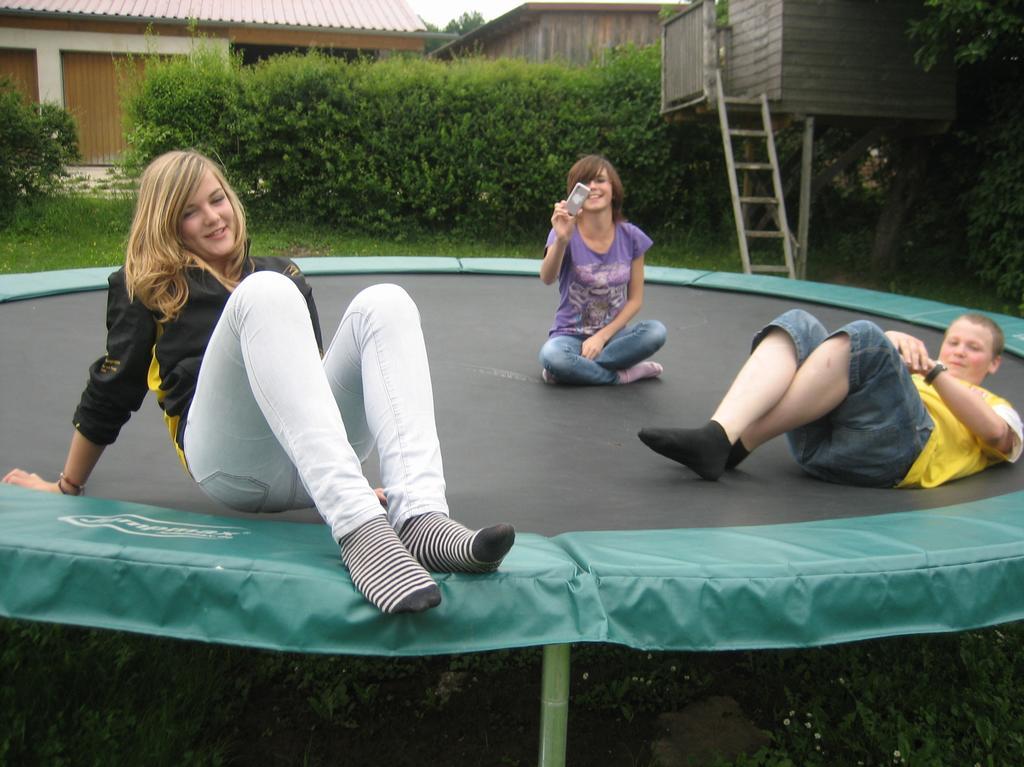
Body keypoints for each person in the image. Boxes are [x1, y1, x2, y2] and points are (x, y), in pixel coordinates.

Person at [2, 149, 514, 615]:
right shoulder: (149, 286)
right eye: (189, 211)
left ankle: (420, 518)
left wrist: (345, 478)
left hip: (310, 469)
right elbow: (113, 390)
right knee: (262, 293)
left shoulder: (285, 273)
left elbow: (304, 383)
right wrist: (66, 486)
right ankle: (360, 532)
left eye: (216, 199)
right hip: (232, 464)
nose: (213, 217)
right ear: (167, 224)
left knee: (386, 302)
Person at [638, 308, 1021, 488]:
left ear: (993, 363)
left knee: (867, 337)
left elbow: (995, 436)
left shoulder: (994, 402)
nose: (958, 351)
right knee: (798, 323)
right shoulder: (912, 376)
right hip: (822, 445)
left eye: (973, 348)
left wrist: (934, 372)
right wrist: (894, 344)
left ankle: (736, 443)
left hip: (901, 456)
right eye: (953, 342)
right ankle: (722, 435)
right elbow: (858, 369)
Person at [538, 155, 667, 385]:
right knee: (552, 356)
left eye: (600, 180)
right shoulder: (564, 231)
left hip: (614, 337)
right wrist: (561, 240)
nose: (593, 187)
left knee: (656, 331)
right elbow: (547, 278)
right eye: (585, 183)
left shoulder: (631, 237)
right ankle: (623, 375)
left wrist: (601, 337)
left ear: (614, 190)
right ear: (574, 194)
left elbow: (635, 301)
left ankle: (573, 371)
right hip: (569, 335)